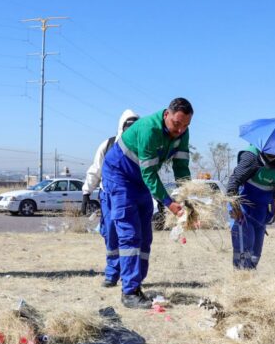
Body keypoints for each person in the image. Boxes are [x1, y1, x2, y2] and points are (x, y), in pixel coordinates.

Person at [101, 98, 193, 308]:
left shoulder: (183, 133)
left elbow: (181, 167)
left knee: (145, 233)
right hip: (120, 175)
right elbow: (150, 173)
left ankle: (136, 283)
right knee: (129, 232)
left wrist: (185, 197)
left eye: (186, 125)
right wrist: (169, 203)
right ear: (166, 115)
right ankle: (129, 292)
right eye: (177, 124)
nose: (180, 130)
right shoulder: (149, 130)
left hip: (141, 178)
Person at [82, 110, 140, 287]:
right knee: (111, 233)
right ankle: (112, 273)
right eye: (128, 127)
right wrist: (86, 193)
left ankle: (129, 276)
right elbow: (96, 169)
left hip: (132, 197)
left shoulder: (142, 146)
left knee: (130, 236)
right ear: (122, 127)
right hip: (109, 197)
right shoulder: (108, 145)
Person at [226, 145, 275, 269]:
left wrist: (274, 204)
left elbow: (273, 187)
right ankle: (241, 277)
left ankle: (251, 274)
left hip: (261, 214)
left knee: (255, 254)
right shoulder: (251, 157)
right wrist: (235, 208)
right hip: (243, 212)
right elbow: (232, 184)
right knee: (244, 250)